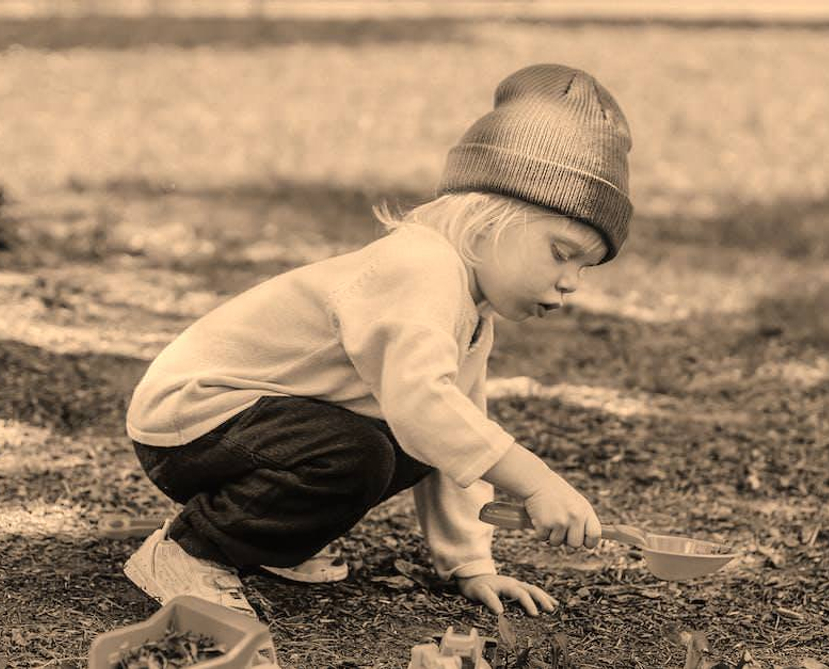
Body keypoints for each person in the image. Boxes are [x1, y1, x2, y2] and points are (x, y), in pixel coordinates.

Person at [122, 62, 635, 619]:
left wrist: (470, 564)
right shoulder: (420, 269)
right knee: (364, 452)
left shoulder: (470, 310)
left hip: (258, 424)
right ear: (489, 221)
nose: (570, 282)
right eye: (562, 253)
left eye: (587, 268)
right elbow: (425, 410)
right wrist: (535, 482)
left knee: (422, 442)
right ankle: (190, 551)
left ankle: (268, 538)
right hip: (193, 418)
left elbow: (456, 438)